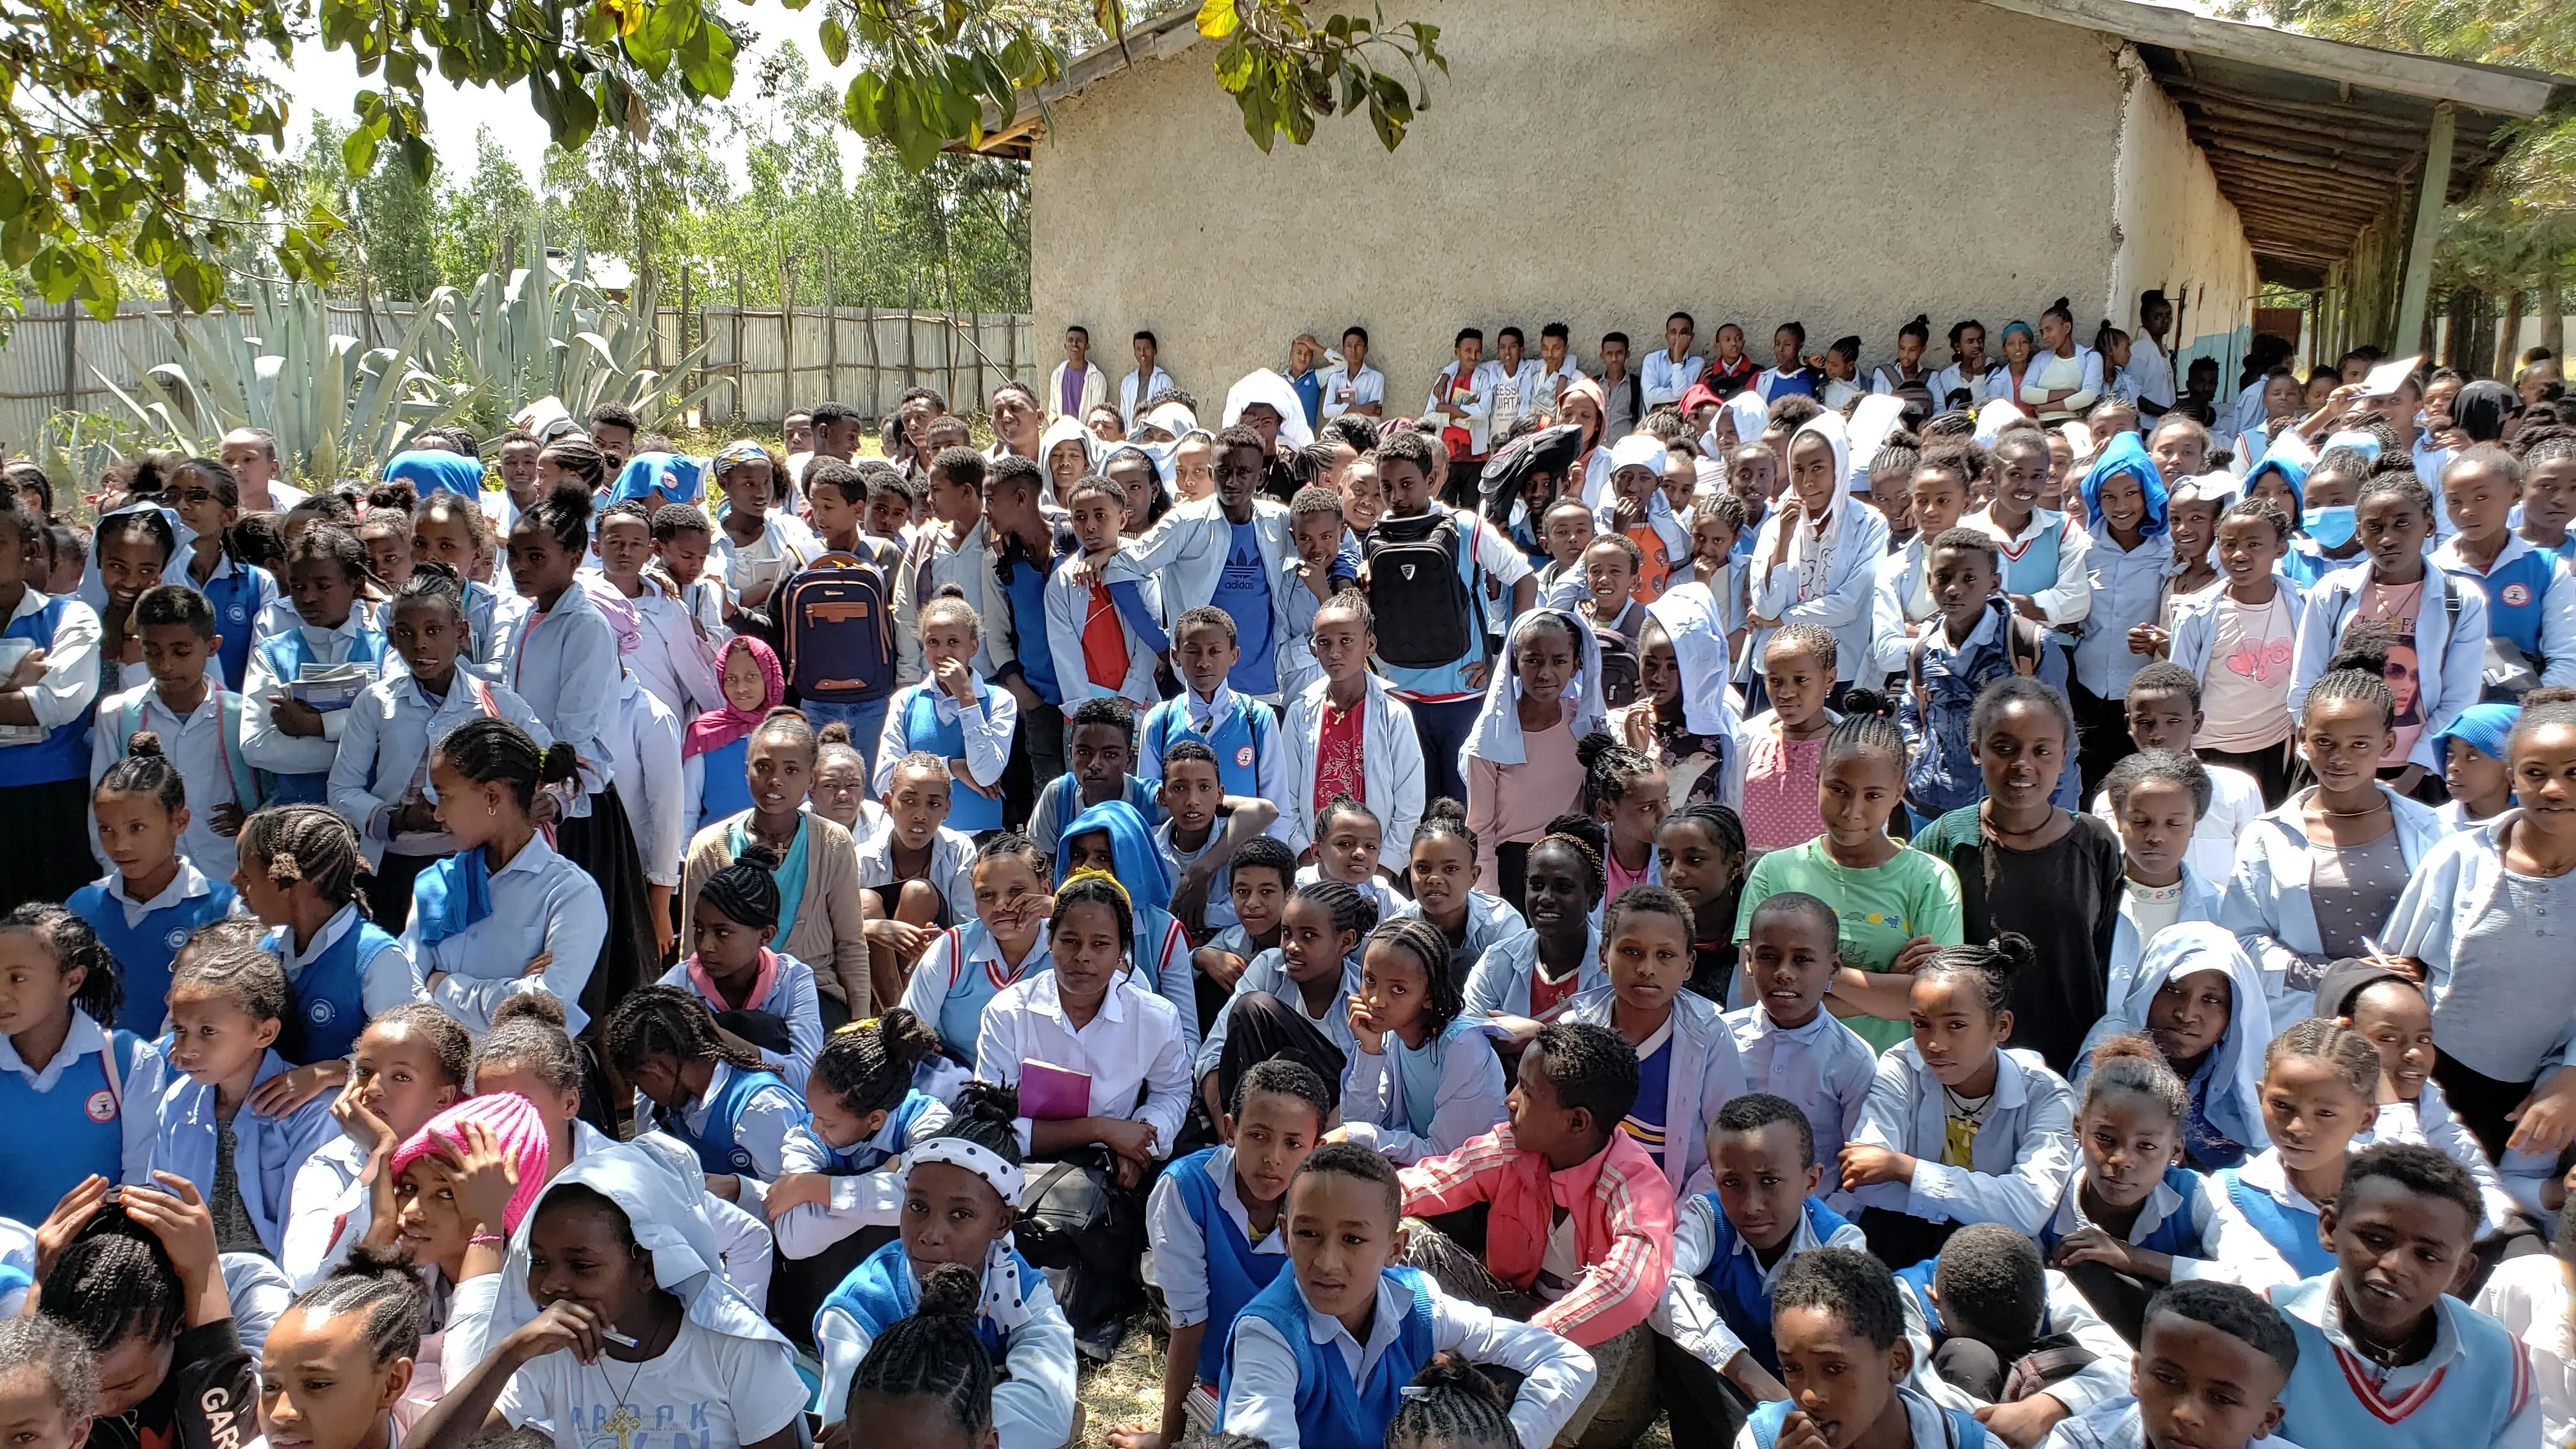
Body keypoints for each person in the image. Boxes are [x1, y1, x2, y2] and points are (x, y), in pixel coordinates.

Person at [402, 1141, 807, 1449]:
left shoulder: (734, 1349)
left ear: (647, 1268)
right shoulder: (552, 1351)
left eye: (582, 1266)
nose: (552, 1285)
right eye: (539, 1262)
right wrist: (510, 1353)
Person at [1221, 1142, 1597, 1449]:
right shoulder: (1269, 1336)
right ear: (1285, 1235)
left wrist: (1509, 1441)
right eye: (1308, 1234)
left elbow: (1568, 1361)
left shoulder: (1417, 1308)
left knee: (1499, 1379)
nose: (1327, 1261)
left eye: (1353, 1239)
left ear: (1395, 1249)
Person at [1397, 1021, 1673, 1439]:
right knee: (1410, 1239)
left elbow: (1629, 1286)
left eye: (1525, 1091)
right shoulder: (1512, 1148)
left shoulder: (1636, 1184)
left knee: (1618, 1313)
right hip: (1514, 1333)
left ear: (1577, 1123)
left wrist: (1524, 1345)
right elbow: (1432, 1182)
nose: (1509, 1101)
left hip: (1597, 1392)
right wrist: (1341, 1202)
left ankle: (1524, 1435)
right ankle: (1414, 1386)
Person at [974, 871, 1193, 1356]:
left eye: (1100, 944)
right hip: (1021, 1163)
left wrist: (1143, 1138)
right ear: (1048, 942)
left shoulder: (1153, 1017)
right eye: (1069, 941)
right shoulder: (1009, 1012)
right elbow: (992, 1123)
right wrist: (1101, 1128)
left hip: (1109, 1171)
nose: (1083, 958)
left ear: (1122, 954)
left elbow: (1174, 1092)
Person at [2382, 691, 2576, 1154]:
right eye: (2536, 773)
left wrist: (2570, 1081)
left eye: (2574, 773)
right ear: (2512, 777)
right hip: (2431, 1082)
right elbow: (2391, 968)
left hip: (2543, 1097)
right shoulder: (2459, 857)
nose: (2555, 789)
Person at [1908, 679, 2124, 1073]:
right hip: (1967, 1064)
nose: (2023, 764)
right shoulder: (1945, 841)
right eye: (2004, 748)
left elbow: (2111, 954)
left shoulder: (2095, 844)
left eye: (2042, 751)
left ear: (2064, 758)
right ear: (1977, 751)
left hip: (2071, 1061)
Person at [2264, 1143, 2536, 1449]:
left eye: (2427, 1256)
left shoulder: (2500, 1361)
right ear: (2330, 1228)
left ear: (2461, 1273)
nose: (2395, 1266)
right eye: (2376, 1239)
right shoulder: (2263, 1328)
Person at [1119, 1059, 1331, 1449]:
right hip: (1229, 1381)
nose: (1273, 1158)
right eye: (1258, 1136)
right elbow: (1189, 1323)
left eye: (1293, 1144)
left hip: (1318, 1376)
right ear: (1231, 1130)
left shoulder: (1328, 1202)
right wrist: (1170, 1441)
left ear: (1317, 1148)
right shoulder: (1187, 1190)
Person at [2220, 666, 2451, 1023]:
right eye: (2325, 742)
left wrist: (2423, 964)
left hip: (2402, 1024)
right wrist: (2335, 977)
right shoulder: (2268, 835)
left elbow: (2455, 931)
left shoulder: (2435, 832)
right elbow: (2244, 939)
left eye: (2360, 744)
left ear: (2387, 743)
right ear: (2303, 739)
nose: (2339, 758)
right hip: (2302, 1024)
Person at [503, 471, 656, 992]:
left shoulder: (584, 626)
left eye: (536, 557)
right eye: (514, 556)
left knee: (577, 960)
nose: (522, 568)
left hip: (570, 809)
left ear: (573, 558)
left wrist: (554, 796)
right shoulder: (527, 620)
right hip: (522, 800)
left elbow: (575, 739)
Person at [330, 565, 549, 924]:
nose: (420, 645)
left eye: (433, 631)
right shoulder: (376, 702)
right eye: (406, 633)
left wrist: (547, 800)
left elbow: (552, 763)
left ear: (461, 632)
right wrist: (398, 819)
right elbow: (342, 788)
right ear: (390, 636)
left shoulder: (495, 703)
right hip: (392, 867)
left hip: (474, 864)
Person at [1838, 935, 2076, 1266]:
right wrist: (1984, 1199)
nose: (1935, 1044)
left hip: (1996, 1253)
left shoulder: (2047, 1094)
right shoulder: (1902, 1065)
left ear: (2002, 1027)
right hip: (1902, 1238)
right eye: (1921, 1024)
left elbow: (2028, 1210)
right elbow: (1863, 1179)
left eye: (1956, 1025)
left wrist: (1905, 1168)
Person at [2043, 1041, 2296, 1347]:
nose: (2121, 1160)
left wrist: (2136, 1259)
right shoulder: (2047, 1191)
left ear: (2175, 1151)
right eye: (2105, 1139)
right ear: (2077, 1129)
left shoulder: (2194, 1194)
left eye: (2146, 1146)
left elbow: (2275, 1285)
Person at [132, 935, 338, 1258]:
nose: (187, 1048)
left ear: (264, 1033)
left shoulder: (311, 1113)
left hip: (279, 1291)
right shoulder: (177, 1100)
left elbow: (305, 1242)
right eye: (180, 1029)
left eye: (208, 1031)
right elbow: (163, 1209)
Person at [401, 719, 607, 1039]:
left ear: (492, 797)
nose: (438, 814)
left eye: (445, 797)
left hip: (521, 1082)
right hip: (438, 1077)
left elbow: (544, 1006)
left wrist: (442, 984)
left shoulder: (570, 893)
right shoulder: (436, 883)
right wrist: (514, 991)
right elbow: (403, 990)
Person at [1363, 430, 1537, 806]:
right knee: (1415, 811)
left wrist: (1506, 659)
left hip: (1462, 695)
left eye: (1407, 484)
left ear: (1431, 481)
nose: (1396, 497)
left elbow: (1524, 578)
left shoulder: (1466, 528)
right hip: (1401, 698)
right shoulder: (1376, 535)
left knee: (1463, 811)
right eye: (1387, 487)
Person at [2287, 473, 2487, 795]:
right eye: (2375, 527)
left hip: (2416, 770)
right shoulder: (2333, 593)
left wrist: (2416, 770)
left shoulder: (2461, 599)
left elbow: (2459, 696)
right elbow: (2305, 684)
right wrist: (2326, 759)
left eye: (2402, 524)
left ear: (2429, 526)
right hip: (2332, 765)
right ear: (2359, 533)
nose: (2388, 539)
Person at [35, 1170, 263, 1449]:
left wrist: (205, 1274)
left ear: (178, 1323)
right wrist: (40, 1286)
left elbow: (238, 1443)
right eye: (82, 1387)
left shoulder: (250, 1288)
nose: (100, 1406)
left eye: (126, 1385)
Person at [678, 708, 873, 1027]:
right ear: (747, 772)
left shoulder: (833, 843)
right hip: (729, 998)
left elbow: (850, 941)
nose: (775, 780)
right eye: (763, 767)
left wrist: (860, 1021)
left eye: (792, 770)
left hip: (815, 993)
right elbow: (693, 948)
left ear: (811, 778)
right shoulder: (710, 846)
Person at [1562, 885, 1749, 1196]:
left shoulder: (1709, 1037)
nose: (1647, 969)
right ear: (1603, 956)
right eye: (1631, 951)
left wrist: (1677, 1220)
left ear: (1688, 965)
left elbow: (1729, 1146)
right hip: (1579, 1203)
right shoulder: (1575, 1029)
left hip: (1677, 1210)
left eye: (1665, 955)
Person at [276, 1004, 468, 1290]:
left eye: (401, 1077)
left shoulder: (464, 1165)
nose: (373, 1088)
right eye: (365, 1071)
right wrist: (380, 1158)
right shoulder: (331, 1164)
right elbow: (308, 1282)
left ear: (443, 1099)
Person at [1743, 1246, 1999, 1449]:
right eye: (1792, 1368)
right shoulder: (1762, 1438)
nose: (1809, 1396)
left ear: (1897, 1361)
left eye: (1834, 1368)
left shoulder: (1969, 1443)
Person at [1898, 530, 2071, 824]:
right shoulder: (1923, 648)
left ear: (1993, 584)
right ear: (1930, 582)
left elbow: (2063, 736)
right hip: (1929, 805)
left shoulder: (2028, 645)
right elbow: (1911, 711)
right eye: (1943, 577)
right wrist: (1917, 756)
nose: (1954, 589)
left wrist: (2056, 816)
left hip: (2007, 806)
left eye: (1969, 579)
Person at [71, 735, 240, 1032]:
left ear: (180, 821)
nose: (120, 844)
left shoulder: (224, 909)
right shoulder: (81, 907)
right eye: (106, 829)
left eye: (137, 828)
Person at [0, 906, 156, 1224]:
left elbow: (142, 1187)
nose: (1, 994)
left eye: (17, 978)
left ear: (72, 980)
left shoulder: (128, 1060)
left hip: (98, 1258)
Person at [2209, 1019, 2382, 1278]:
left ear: (2366, 1119)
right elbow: (2255, 1283)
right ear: (2260, 1097)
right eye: (2281, 1105)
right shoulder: (2232, 1194)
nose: (2297, 1128)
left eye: (2324, 1113)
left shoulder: (2394, 1193)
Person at [1744, 415, 1891, 709]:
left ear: (1839, 468)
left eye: (1818, 469)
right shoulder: (1778, 524)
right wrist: (1785, 539)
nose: (1807, 482)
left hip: (1839, 671)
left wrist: (1783, 619)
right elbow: (1767, 606)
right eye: (1798, 470)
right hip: (1778, 671)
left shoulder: (1868, 524)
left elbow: (1849, 604)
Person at [1728, 894, 1879, 1177]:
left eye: (1803, 960)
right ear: (1749, 960)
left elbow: (1858, 1163)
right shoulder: (1720, 1039)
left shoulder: (1853, 1059)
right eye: (1769, 957)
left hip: (1816, 1211)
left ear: (1834, 967)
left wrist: (1827, 1218)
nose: (1784, 973)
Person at [1333, 917, 1505, 1164]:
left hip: (1476, 1180)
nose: (1375, 1001)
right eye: (1370, 981)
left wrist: (1368, 1138)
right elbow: (1357, 1122)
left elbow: (1447, 1157)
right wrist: (1369, 1051)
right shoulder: (1393, 1035)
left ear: (1430, 996)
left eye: (1398, 990)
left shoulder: (1463, 1046)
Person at [240, 525, 385, 807]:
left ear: (355, 585)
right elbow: (256, 747)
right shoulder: (271, 653)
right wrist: (364, 747)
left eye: (323, 586)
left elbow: (394, 729)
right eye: (297, 586)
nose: (308, 598)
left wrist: (315, 725)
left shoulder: (385, 651)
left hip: (370, 815)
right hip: (296, 815)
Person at [1282, 593, 1425, 874]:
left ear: (1369, 644)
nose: (1334, 653)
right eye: (1324, 643)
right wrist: (1305, 856)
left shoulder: (1394, 715)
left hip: (1374, 867)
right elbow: (1285, 795)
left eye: (1346, 641)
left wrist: (1385, 866)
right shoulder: (1300, 713)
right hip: (1315, 863)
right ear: (1314, 648)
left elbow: (1410, 801)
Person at [1463, 610, 1602, 896]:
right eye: (1533, 660)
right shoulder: (1491, 736)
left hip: (1573, 859)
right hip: (1514, 868)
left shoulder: (1585, 725)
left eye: (1559, 661)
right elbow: (1481, 826)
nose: (1545, 673)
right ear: (1515, 664)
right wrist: (1488, 894)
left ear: (1576, 665)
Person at [2088, 664, 2265, 884]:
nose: (2158, 734)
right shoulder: (2109, 799)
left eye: (2173, 721)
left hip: (2220, 916)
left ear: (2196, 722)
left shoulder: (2237, 788)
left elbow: (2256, 868)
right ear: (2129, 724)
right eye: (2144, 722)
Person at [896, 832, 1053, 1072]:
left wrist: (1065, 911)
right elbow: (908, 1034)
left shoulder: (1068, 946)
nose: (1001, 905)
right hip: (958, 1081)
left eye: (1016, 891)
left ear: (1046, 889)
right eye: (986, 895)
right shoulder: (953, 949)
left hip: (1045, 1086)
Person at [2092, 751, 2231, 1007]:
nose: (2156, 836)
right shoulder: (2087, 899)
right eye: (2141, 821)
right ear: (2118, 816)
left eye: (2174, 824)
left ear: (2194, 822)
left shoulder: (2221, 909)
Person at [876, 592, 1016, 837]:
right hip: (922, 837)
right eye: (933, 642)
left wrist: (967, 699)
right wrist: (951, 767)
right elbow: (885, 779)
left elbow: (987, 774)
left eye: (953, 642)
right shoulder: (906, 700)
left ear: (973, 646)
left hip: (982, 834)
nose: (942, 653)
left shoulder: (999, 700)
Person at [860, 753, 981, 999]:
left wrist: (944, 940)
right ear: (887, 802)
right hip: (871, 977)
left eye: (933, 804)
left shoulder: (960, 849)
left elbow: (969, 926)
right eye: (909, 801)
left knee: (919, 893)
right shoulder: (862, 858)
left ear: (947, 810)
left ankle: (900, 1015)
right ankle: (896, 1015)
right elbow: (836, 930)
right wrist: (872, 928)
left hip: (939, 967)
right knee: (865, 902)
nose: (920, 815)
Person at [1047, 475, 1162, 708]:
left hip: (1137, 700)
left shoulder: (1142, 571)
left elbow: (1148, 635)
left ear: (1122, 519)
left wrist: (1130, 695)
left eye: (1100, 515)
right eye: (1080, 517)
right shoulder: (1062, 580)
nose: (1090, 526)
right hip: (1086, 704)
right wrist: (1084, 707)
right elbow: (1064, 650)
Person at [1737, 627, 1842, 858]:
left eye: (1800, 680)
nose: (1786, 692)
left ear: (1830, 679)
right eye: (1775, 680)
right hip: (1753, 875)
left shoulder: (1846, 746)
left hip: (1819, 874)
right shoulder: (1746, 740)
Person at [1123, 332, 1176, 429]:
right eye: (1138, 349)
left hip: (1155, 437)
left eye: (1147, 348)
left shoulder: (1164, 382)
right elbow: (1124, 416)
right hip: (1132, 437)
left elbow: (1169, 415)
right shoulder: (1127, 383)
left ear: (1155, 351)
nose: (1142, 353)